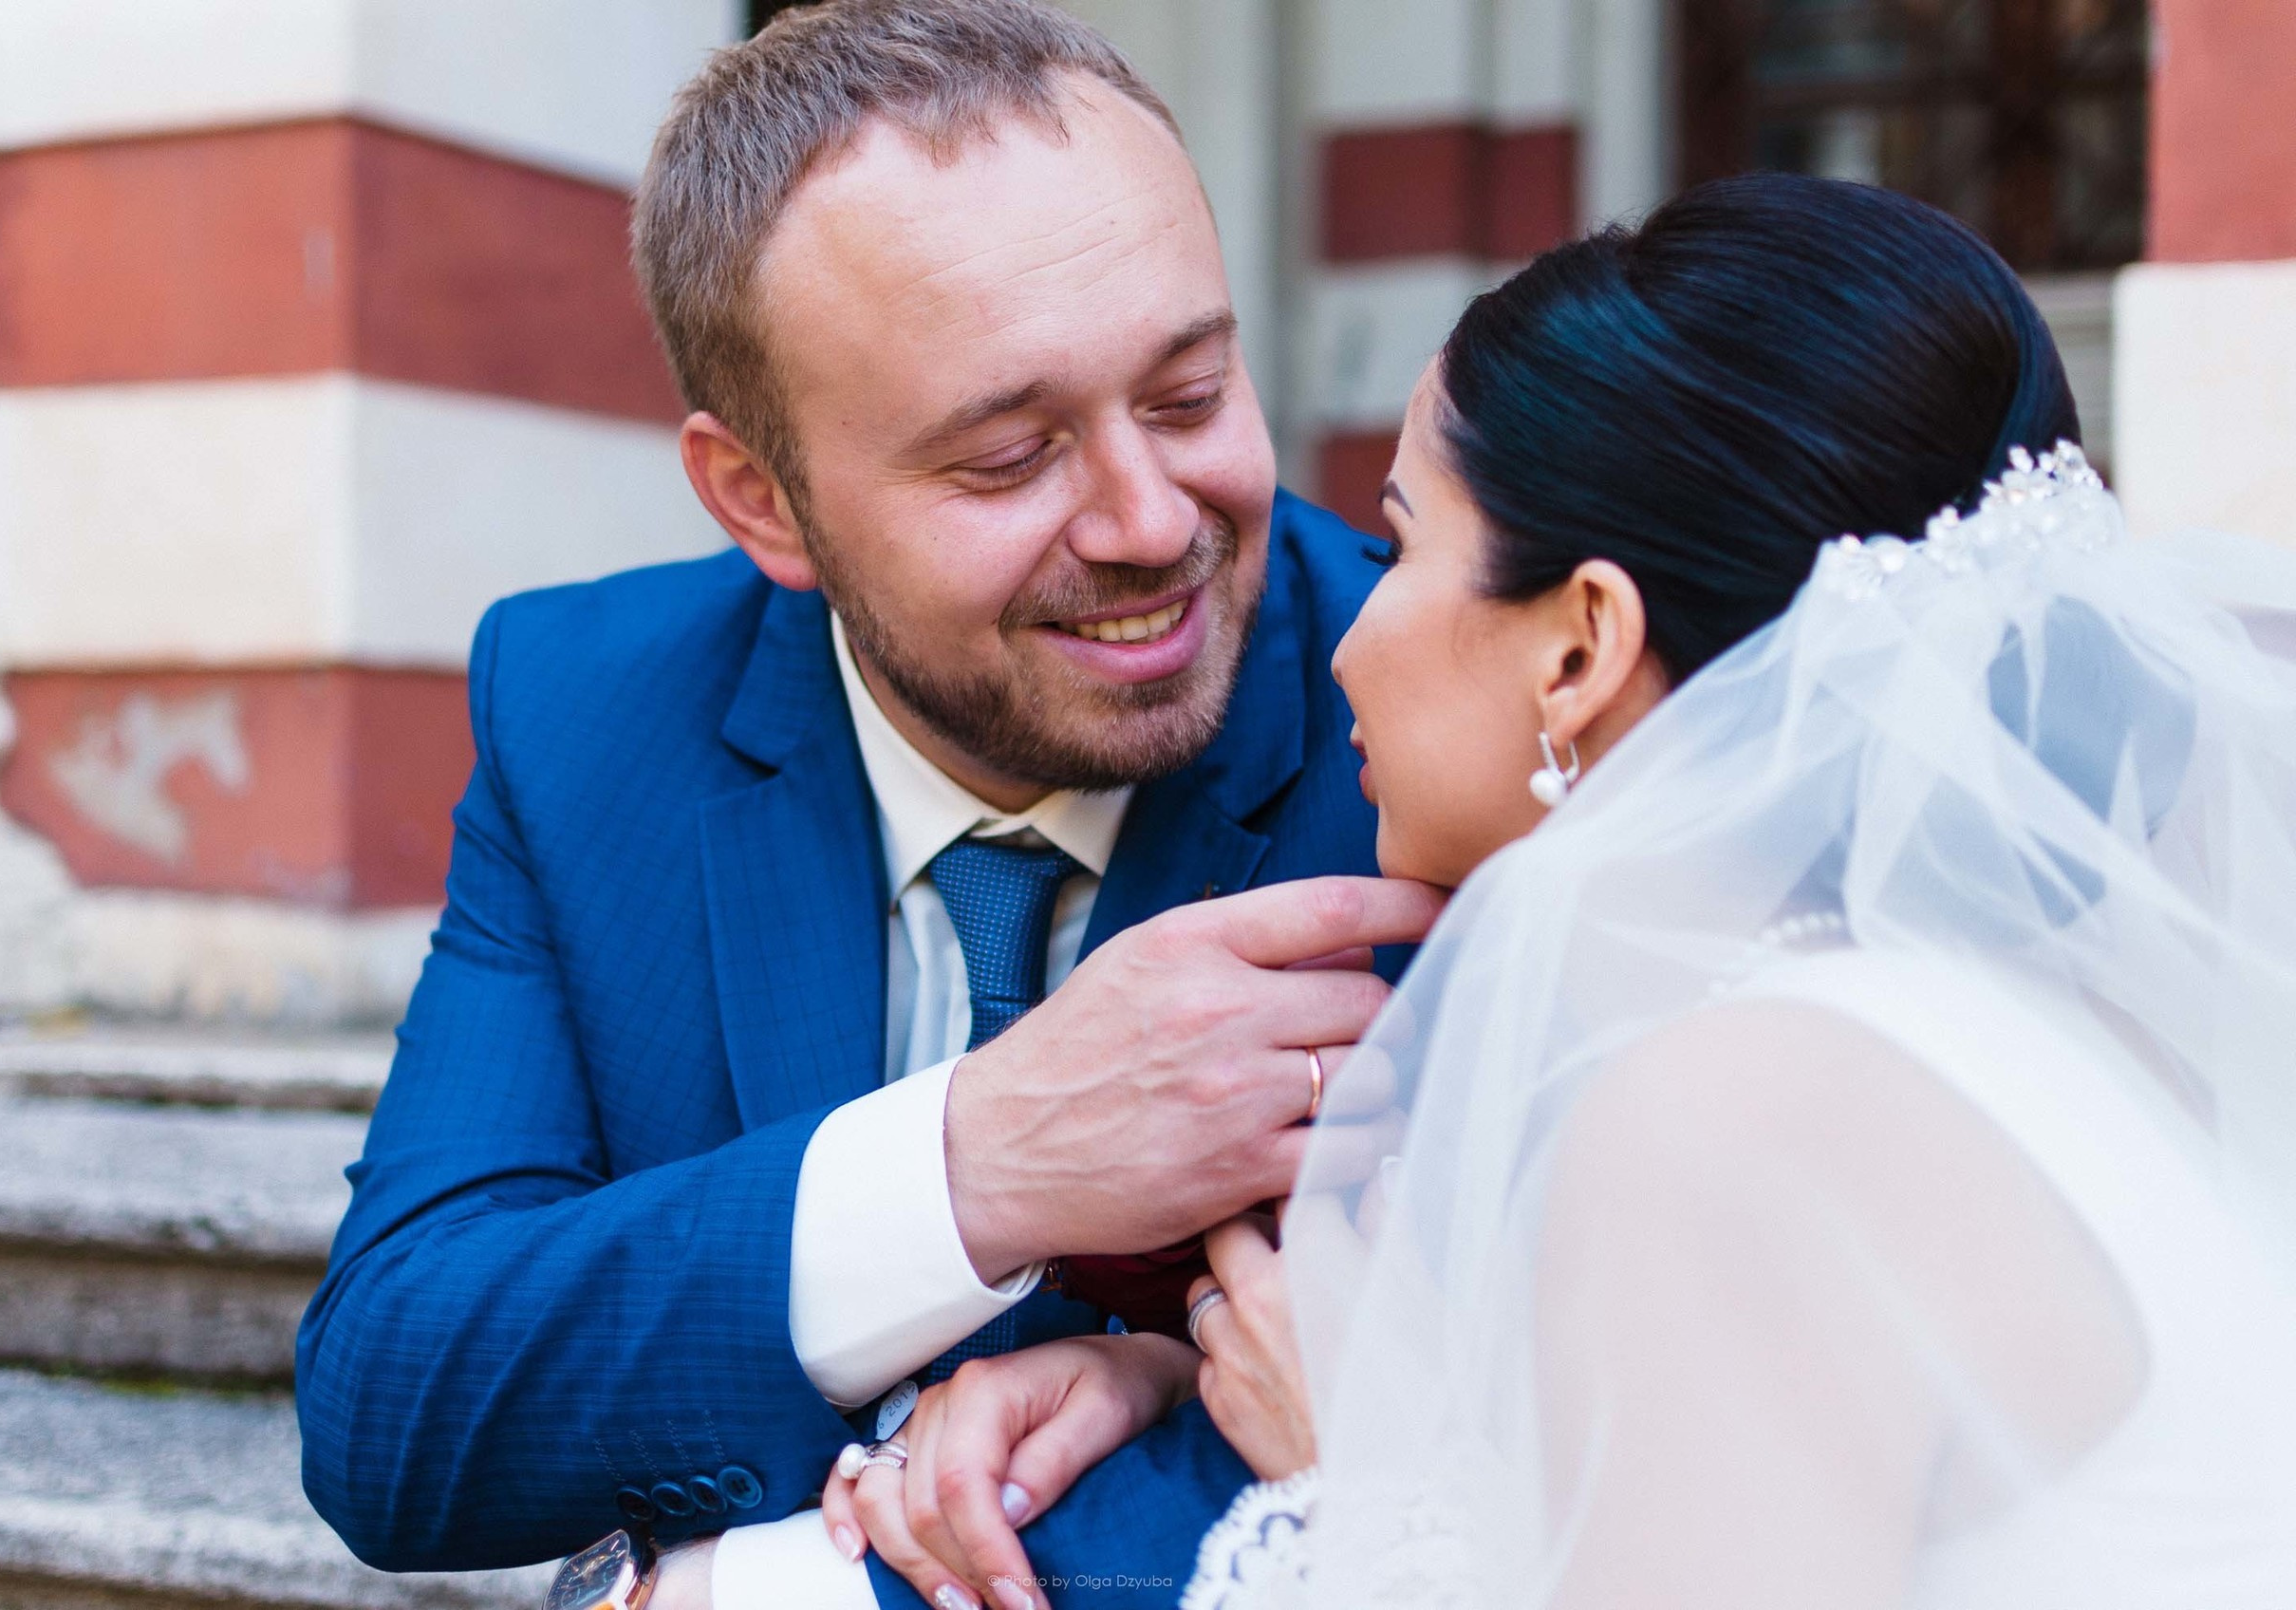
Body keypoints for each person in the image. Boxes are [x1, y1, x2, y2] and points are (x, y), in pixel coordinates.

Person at [838, 174, 2296, 1609]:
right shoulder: (1988, 1031)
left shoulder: (1740, 1113)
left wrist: (1373, 1504)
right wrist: (1167, 1373)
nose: (1348, 637)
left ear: (1581, 647)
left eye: (1403, 547)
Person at [289, 4, 1443, 1609]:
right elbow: (398, 1406)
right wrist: (976, 1166)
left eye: (1187, 394)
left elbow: (1573, 1432)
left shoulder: (1439, 728)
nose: (1149, 519)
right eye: (1007, 458)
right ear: (761, 497)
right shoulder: (589, 711)